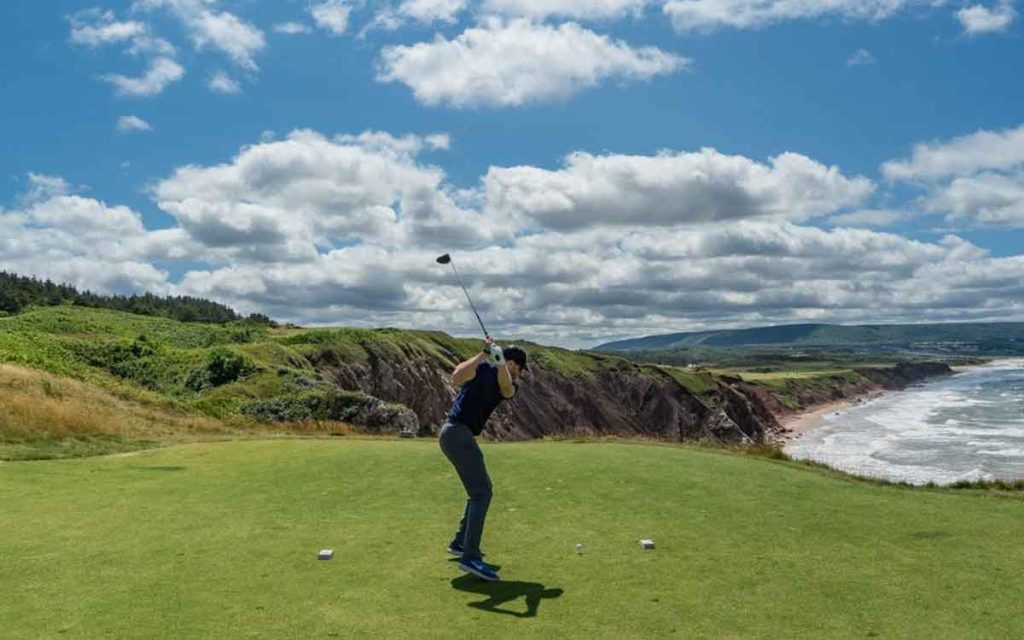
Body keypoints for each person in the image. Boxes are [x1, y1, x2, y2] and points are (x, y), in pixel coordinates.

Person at [439, 337, 529, 582]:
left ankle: (459, 543)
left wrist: (499, 363)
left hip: (459, 434)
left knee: (477, 491)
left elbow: (507, 390)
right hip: (456, 432)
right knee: (482, 492)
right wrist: (483, 354)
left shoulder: (505, 379)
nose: (520, 374)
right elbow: (457, 376)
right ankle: (470, 557)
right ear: (514, 364)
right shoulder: (481, 368)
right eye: (520, 369)